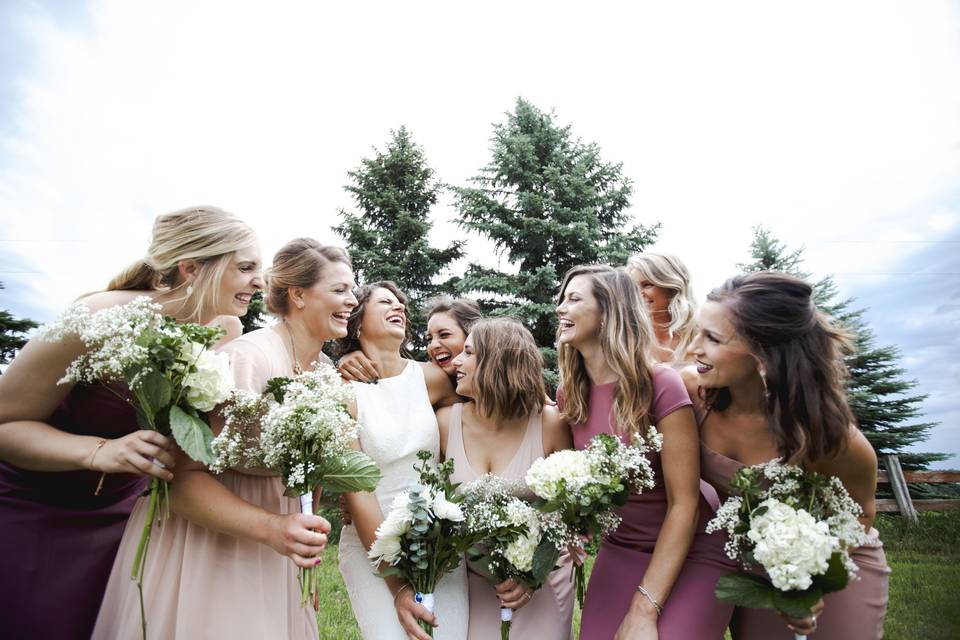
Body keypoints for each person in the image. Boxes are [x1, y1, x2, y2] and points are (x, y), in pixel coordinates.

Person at [0, 205, 260, 640]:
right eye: (247, 267)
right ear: (192, 268)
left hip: (132, 514)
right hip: (41, 507)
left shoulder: (226, 329)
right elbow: (6, 424)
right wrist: (103, 451)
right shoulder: (95, 317)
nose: (260, 281)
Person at [92, 238, 355, 639]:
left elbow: (310, 472)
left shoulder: (325, 372)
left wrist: (305, 548)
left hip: (279, 549)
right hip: (210, 544)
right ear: (299, 295)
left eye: (352, 289)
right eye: (340, 289)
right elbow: (179, 479)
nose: (352, 299)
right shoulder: (248, 358)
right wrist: (272, 527)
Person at [687, 271, 889, 639]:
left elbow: (861, 512)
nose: (693, 348)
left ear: (764, 353)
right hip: (754, 564)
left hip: (834, 566)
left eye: (712, 338)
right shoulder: (692, 395)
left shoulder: (828, 438)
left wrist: (811, 577)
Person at [556, 264, 734, 640]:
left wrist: (643, 607)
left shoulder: (660, 384)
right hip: (620, 548)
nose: (560, 308)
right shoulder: (569, 394)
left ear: (608, 313)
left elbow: (684, 504)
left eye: (573, 299)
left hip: (692, 549)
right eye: (562, 299)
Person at [336, 282, 465, 640]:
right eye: (384, 302)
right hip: (370, 545)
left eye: (401, 304)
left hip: (438, 540)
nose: (400, 308)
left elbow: (485, 408)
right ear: (357, 323)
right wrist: (399, 588)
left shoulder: (431, 378)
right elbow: (357, 492)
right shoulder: (342, 389)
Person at [438, 317, 575, 639]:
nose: (457, 361)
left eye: (468, 353)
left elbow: (569, 514)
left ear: (497, 361)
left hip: (542, 578)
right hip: (472, 581)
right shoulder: (444, 423)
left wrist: (532, 576)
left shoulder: (549, 423)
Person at [338, 295, 481, 383]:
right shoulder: (431, 381)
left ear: (471, 337)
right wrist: (349, 355)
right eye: (429, 339)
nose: (433, 345)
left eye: (444, 335)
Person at [625, 253, 698, 366]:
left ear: (671, 287)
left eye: (647, 285)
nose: (638, 294)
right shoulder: (627, 338)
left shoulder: (700, 334)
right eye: (634, 287)